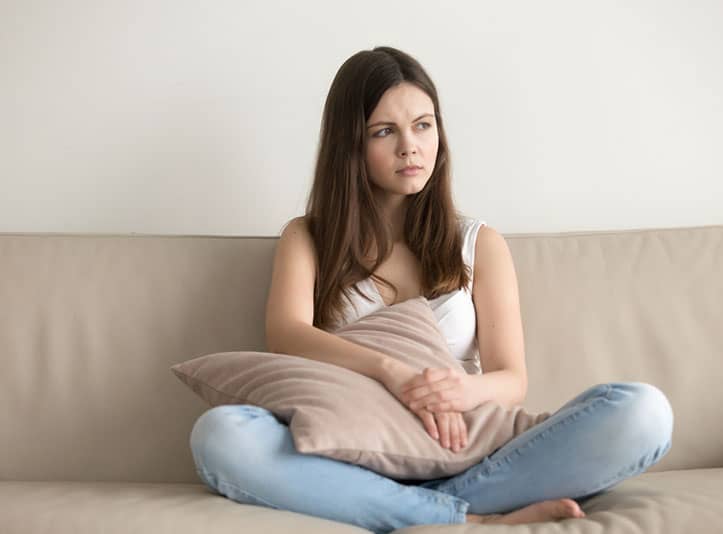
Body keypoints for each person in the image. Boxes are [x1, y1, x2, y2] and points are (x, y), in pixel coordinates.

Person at [188, 46, 674, 533]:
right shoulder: (307, 237)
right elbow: (286, 335)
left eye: (423, 125)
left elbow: (512, 379)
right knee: (222, 436)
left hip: (473, 452)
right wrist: (392, 372)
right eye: (384, 131)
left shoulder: (479, 243)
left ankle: (413, 507)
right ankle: (467, 517)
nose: (410, 146)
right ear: (350, 145)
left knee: (642, 412)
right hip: (353, 455)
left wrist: (461, 390)